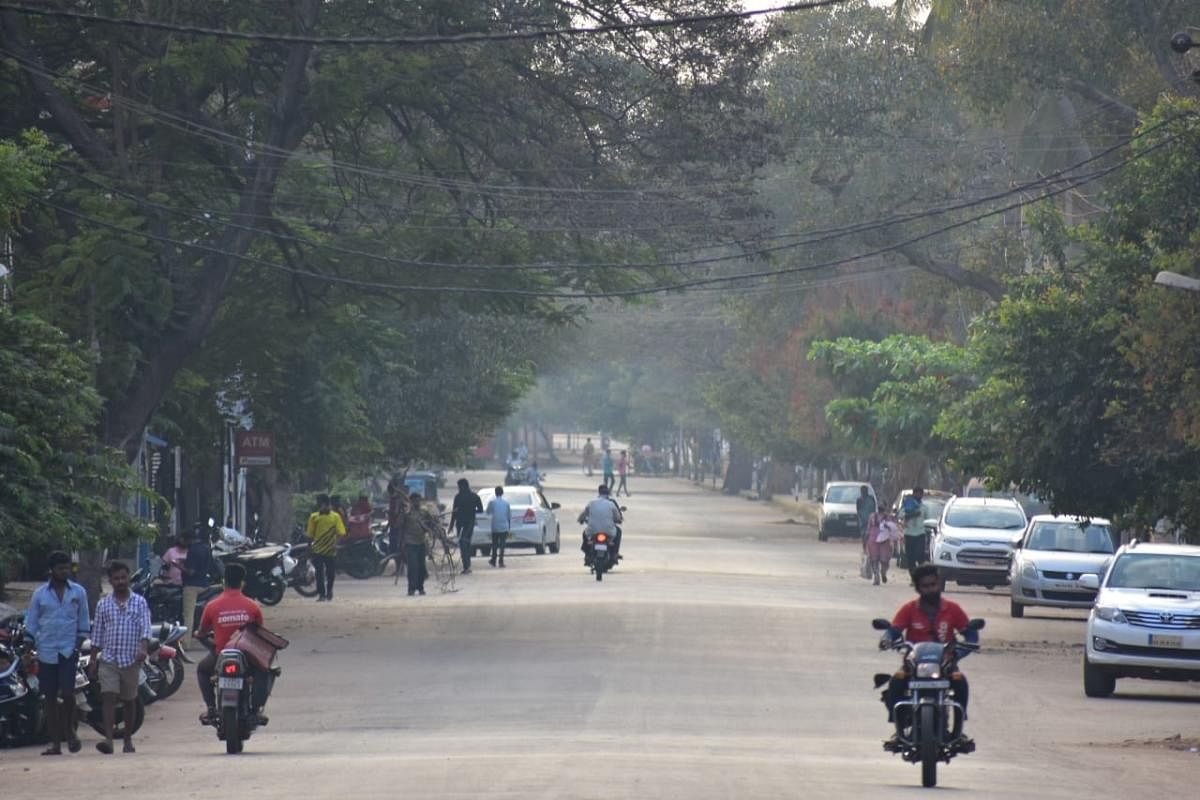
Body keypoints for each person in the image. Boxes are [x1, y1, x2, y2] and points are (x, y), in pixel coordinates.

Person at [879, 564, 976, 745]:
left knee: (961, 682)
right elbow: (894, 630)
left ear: (939, 584)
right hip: (914, 665)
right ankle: (897, 728)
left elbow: (970, 634)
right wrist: (887, 639)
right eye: (925, 586)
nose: (931, 589)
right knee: (896, 681)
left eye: (933, 584)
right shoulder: (909, 609)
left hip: (945, 665)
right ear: (918, 588)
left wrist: (958, 653)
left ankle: (958, 729)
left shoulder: (953, 609)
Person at [24, 551, 89, 756]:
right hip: (46, 650)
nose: (65, 572)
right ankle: (55, 743)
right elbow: (32, 622)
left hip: (69, 650)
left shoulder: (78, 592)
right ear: (52, 570)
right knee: (49, 698)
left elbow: (84, 621)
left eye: (67, 568)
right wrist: (27, 643)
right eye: (60, 568)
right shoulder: (40, 594)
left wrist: (79, 643)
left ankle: (70, 730)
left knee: (69, 694)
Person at [194, 563, 268, 726]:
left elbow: (202, 632)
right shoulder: (252, 606)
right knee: (264, 671)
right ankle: (256, 710)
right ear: (242, 583)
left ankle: (211, 707)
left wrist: (200, 635)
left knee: (202, 670)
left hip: (221, 654)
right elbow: (261, 634)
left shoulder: (212, 606)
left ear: (223, 582)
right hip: (247, 656)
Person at [88, 561, 151, 754]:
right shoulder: (103, 604)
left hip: (131, 659)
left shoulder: (140, 602)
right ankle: (108, 739)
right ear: (110, 581)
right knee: (108, 697)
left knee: (130, 700)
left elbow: (146, 629)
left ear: (129, 577)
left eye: (124, 577)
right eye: (116, 578)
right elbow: (97, 634)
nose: (121, 581)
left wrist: (143, 648)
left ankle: (127, 739)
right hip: (108, 659)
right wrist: (92, 660)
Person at [306, 493, 346, 602]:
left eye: (319, 502)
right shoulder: (314, 517)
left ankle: (329, 591)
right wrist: (309, 547)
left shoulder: (335, 516)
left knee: (330, 573)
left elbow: (341, 533)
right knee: (319, 573)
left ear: (323, 503)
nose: (318, 504)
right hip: (318, 549)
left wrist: (336, 544)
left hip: (330, 549)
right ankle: (322, 594)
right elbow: (310, 534)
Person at [181, 528, 213, 644]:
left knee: (188, 615)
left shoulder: (192, 550)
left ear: (188, 540)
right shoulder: (205, 548)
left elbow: (191, 571)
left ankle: (186, 643)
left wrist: (178, 566)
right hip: (204, 583)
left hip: (192, 586)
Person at [578, 484, 624, 560]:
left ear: (599, 493)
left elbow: (583, 514)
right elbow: (618, 517)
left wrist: (580, 520)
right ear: (608, 494)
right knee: (618, 531)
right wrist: (619, 520)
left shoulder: (592, 503)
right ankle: (615, 553)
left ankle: (587, 554)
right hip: (608, 530)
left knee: (585, 533)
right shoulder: (611, 504)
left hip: (593, 530)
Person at [448, 478, 484, 575]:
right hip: (467, 523)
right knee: (465, 543)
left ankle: (466, 566)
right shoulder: (474, 496)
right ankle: (467, 565)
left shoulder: (458, 497)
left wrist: (451, 525)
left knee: (463, 542)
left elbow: (454, 513)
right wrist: (472, 511)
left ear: (463, 486)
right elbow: (480, 510)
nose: (459, 488)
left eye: (459, 486)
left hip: (463, 523)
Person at [403, 492, 431, 595]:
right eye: (415, 500)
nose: (417, 502)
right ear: (411, 501)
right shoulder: (407, 514)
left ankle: (420, 588)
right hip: (410, 543)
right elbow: (400, 526)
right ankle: (411, 589)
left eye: (418, 500)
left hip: (421, 542)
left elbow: (431, 523)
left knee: (421, 566)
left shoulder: (424, 513)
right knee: (412, 567)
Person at [866, 510, 901, 586]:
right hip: (879, 540)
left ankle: (880, 574)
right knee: (879, 560)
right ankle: (879, 575)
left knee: (879, 560)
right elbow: (894, 530)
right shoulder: (874, 516)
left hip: (879, 539)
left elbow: (895, 530)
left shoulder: (887, 517)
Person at [901, 487, 928, 567]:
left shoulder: (925, 508)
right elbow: (900, 515)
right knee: (910, 558)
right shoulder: (907, 505)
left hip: (920, 534)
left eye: (920, 494)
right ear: (913, 494)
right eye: (916, 494)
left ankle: (921, 575)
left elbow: (928, 520)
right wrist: (911, 515)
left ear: (922, 495)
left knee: (920, 556)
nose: (918, 496)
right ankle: (913, 576)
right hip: (909, 534)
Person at [486, 485, 512, 567]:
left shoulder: (492, 502)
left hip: (495, 526)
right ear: (502, 493)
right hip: (504, 526)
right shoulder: (506, 503)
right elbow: (509, 516)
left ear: (495, 493)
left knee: (494, 544)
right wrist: (509, 527)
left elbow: (488, 512)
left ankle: (493, 560)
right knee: (502, 545)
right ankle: (501, 561)